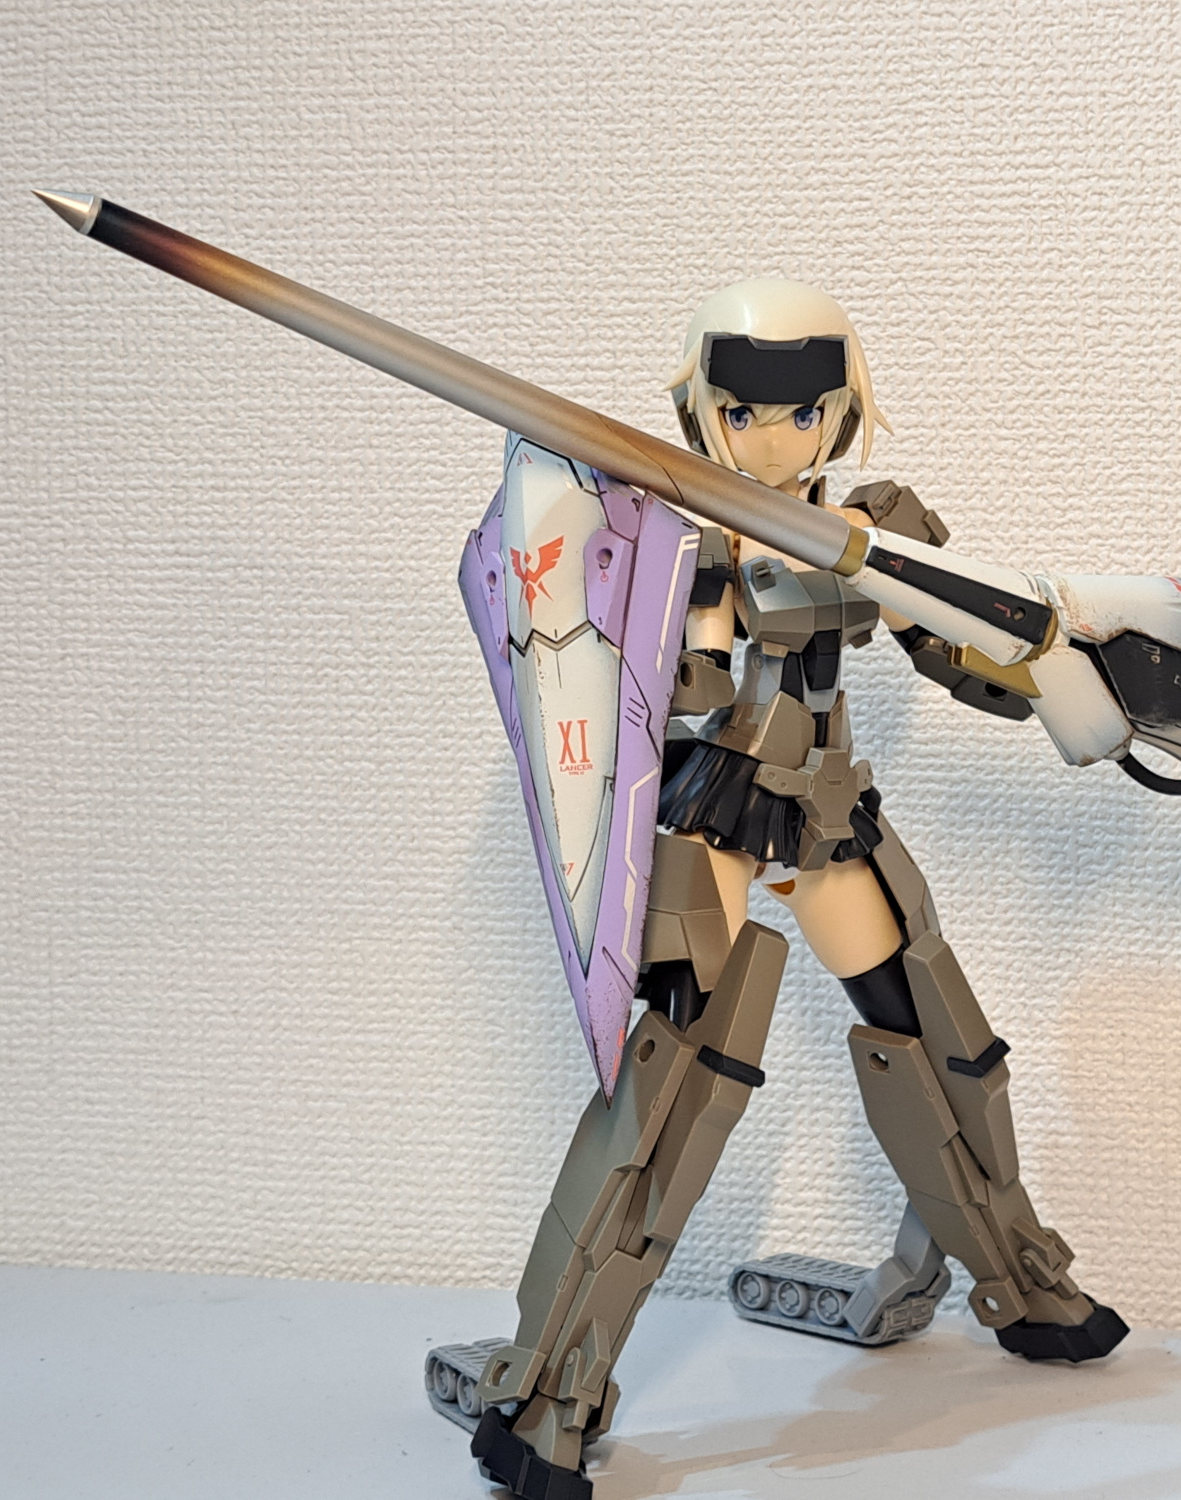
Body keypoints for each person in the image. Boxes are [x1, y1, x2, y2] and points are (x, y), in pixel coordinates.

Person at [461, 279, 1126, 1500]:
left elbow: (971, 661)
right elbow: (629, 666)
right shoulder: (669, 529)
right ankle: (548, 1385)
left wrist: (1062, 660)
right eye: (743, 415)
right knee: (672, 1085)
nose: (772, 443)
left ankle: (1023, 1282)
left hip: (826, 807)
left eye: (802, 415)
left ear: (842, 412)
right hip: (717, 807)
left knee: (937, 1033)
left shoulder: (878, 523)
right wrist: (690, 585)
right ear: (701, 411)